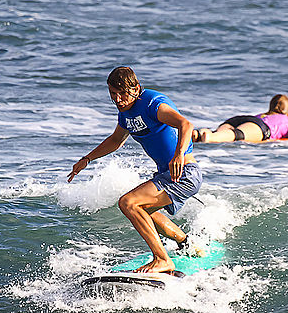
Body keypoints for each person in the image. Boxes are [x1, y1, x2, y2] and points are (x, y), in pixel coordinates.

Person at [67, 66, 201, 273]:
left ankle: (162, 259)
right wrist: (87, 159)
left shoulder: (153, 104)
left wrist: (179, 155)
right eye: (113, 94)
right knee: (144, 212)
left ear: (136, 88)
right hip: (166, 174)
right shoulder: (125, 115)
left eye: (123, 94)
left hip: (184, 172)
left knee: (128, 203)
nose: (118, 100)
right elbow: (115, 140)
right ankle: (186, 243)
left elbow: (186, 124)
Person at [192, 94, 288, 144]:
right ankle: (208, 137)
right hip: (260, 127)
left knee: (222, 134)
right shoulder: (287, 120)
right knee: (236, 135)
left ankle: (199, 133)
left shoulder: (263, 115)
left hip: (243, 119)